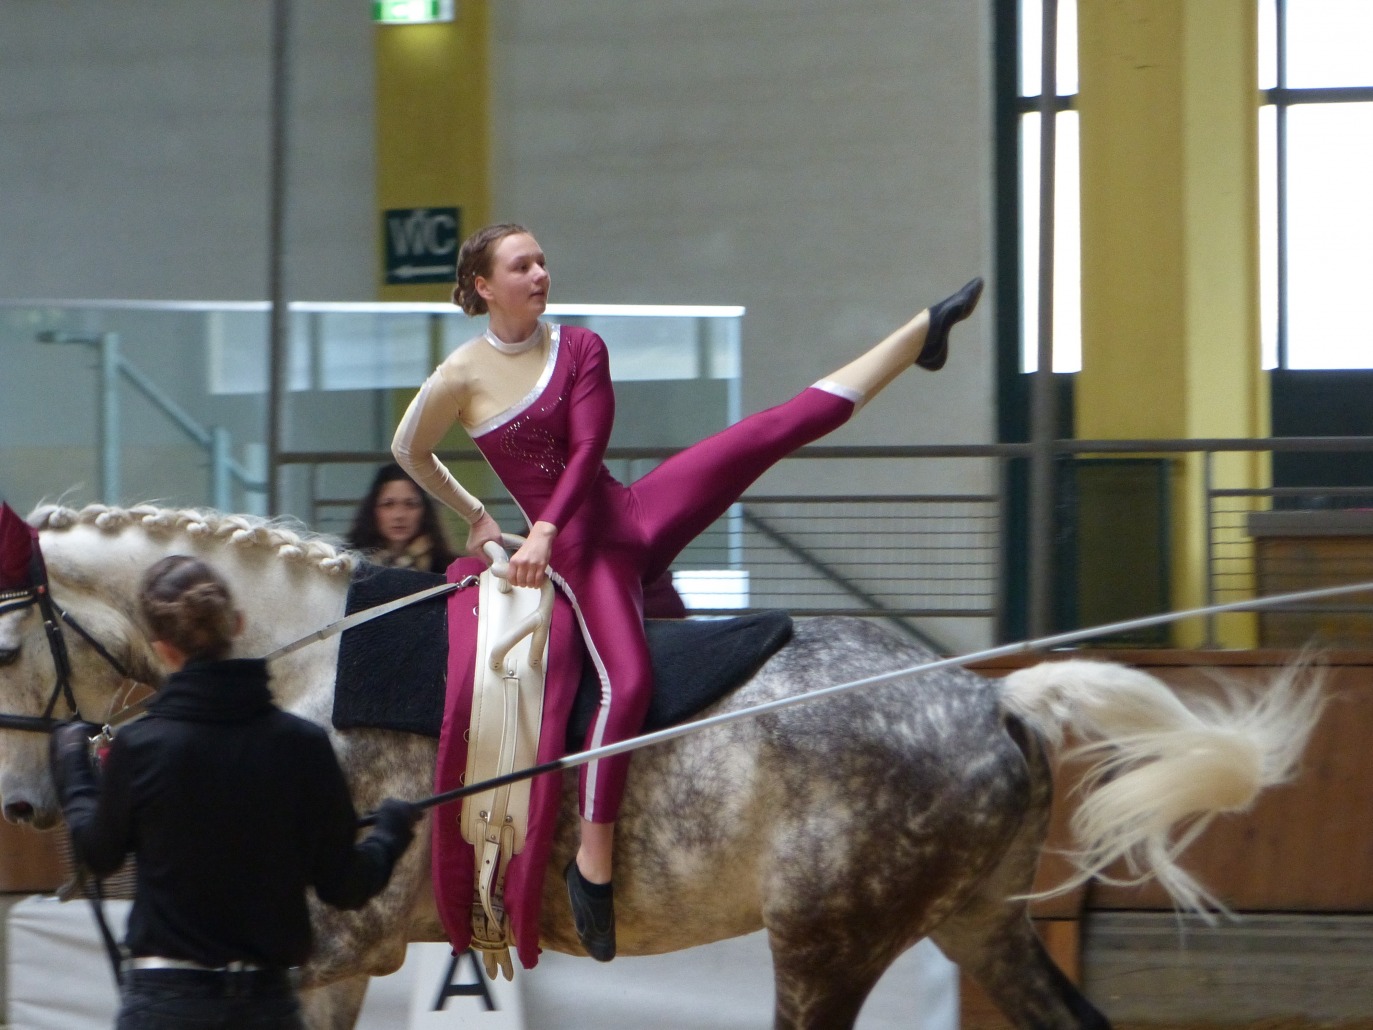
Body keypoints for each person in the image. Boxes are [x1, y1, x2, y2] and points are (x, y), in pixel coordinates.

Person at [392, 222, 982, 961]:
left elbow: (585, 451)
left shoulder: (579, 348)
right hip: (581, 557)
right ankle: (593, 864)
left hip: (628, 517)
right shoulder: (460, 375)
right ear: (484, 286)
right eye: (522, 264)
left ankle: (917, 336)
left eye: (542, 260)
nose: (541, 272)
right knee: (629, 682)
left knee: (768, 431)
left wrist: (538, 529)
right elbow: (407, 450)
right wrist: (478, 520)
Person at [49, 555, 422, 1030]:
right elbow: (345, 886)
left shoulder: (143, 746)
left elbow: (98, 854)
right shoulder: (301, 745)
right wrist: (389, 832)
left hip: (167, 1006)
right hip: (265, 1006)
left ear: (162, 649)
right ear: (237, 624)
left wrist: (73, 770)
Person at [345, 462, 458, 572]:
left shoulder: (449, 570)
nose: (399, 515)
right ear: (372, 510)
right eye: (388, 504)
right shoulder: (348, 568)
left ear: (425, 511)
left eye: (411, 504)